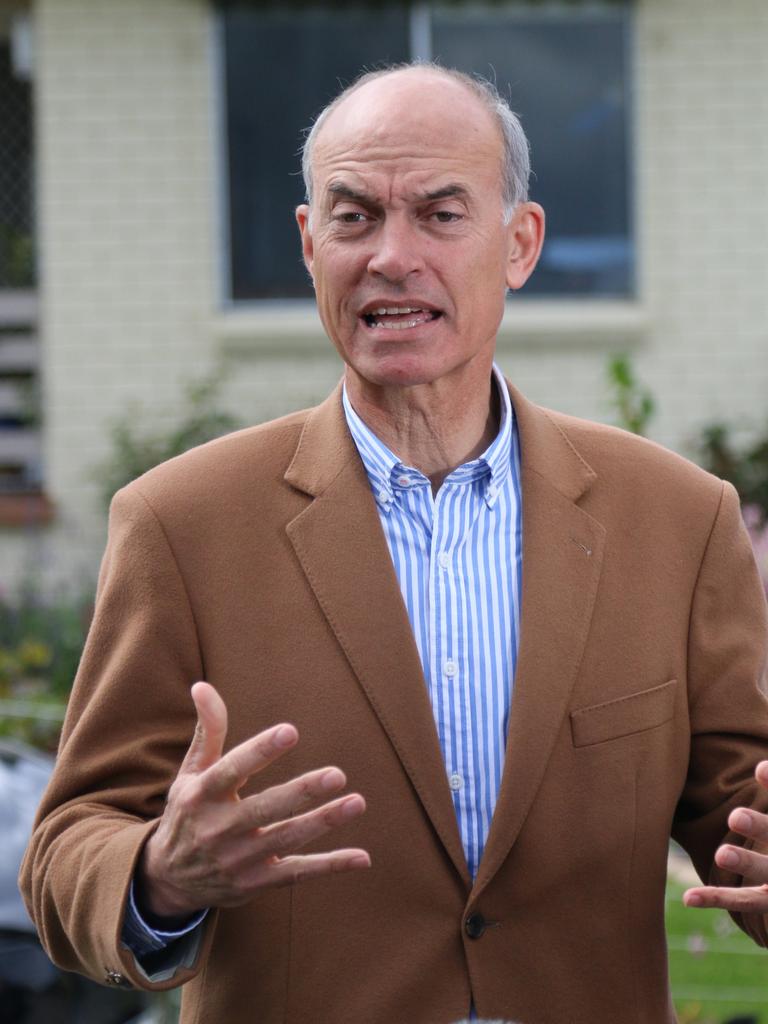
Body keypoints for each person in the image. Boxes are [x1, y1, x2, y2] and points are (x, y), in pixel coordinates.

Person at [20, 63, 768, 1024]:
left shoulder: (678, 519)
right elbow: (66, 850)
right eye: (355, 216)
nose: (391, 255)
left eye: (441, 214)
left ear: (519, 243)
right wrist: (160, 872)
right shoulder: (180, 524)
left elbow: (739, 813)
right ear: (308, 244)